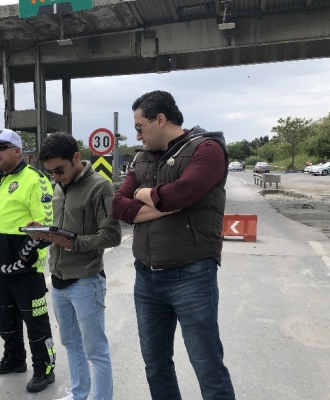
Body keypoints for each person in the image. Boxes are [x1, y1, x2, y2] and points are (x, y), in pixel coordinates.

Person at [112, 90, 236, 400]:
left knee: (207, 366)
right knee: (155, 366)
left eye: (140, 127)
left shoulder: (206, 150)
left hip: (192, 275)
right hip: (146, 277)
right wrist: (160, 201)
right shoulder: (141, 158)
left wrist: (142, 194)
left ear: (161, 119)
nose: (137, 135)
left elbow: (180, 193)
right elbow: (117, 205)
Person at [29, 132, 122, 400]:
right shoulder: (58, 187)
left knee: (96, 350)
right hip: (58, 281)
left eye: (59, 169)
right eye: (50, 172)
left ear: (77, 158)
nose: (55, 177)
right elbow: (62, 231)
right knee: (71, 343)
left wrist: (70, 243)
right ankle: (79, 393)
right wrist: (45, 233)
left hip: (86, 281)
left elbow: (112, 235)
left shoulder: (100, 187)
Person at [0, 128, 57, 393]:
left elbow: (46, 223)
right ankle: (15, 359)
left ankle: (45, 368)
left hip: (25, 265)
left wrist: (32, 255)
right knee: (4, 317)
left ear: (18, 151)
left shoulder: (34, 179)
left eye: (2, 147)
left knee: (35, 320)